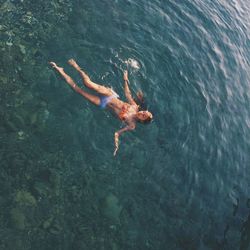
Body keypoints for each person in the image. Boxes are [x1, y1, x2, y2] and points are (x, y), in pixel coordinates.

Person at [49, 59, 153, 155]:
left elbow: (117, 133)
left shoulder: (131, 125)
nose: (142, 113)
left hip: (103, 103)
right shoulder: (134, 106)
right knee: (87, 83)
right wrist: (125, 79)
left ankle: (59, 69)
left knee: (78, 90)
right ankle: (76, 66)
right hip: (110, 95)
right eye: (144, 112)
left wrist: (116, 145)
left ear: (142, 121)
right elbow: (127, 94)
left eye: (143, 115)